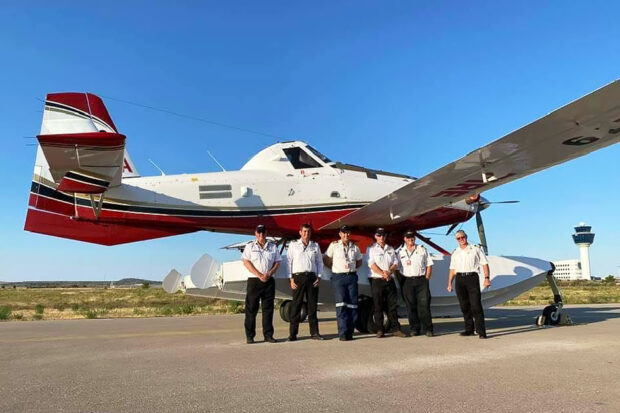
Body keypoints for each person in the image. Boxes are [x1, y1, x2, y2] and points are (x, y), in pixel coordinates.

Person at [446, 230, 491, 339]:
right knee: (464, 306)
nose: (461, 239)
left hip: (472, 277)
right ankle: (469, 329)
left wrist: (486, 278)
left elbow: (484, 264)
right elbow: (452, 269)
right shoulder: (455, 252)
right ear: (456, 240)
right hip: (459, 278)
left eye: (462, 237)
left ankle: (481, 331)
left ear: (466, 237)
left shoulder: (475, 249)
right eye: (458, 238)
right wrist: (449, 283)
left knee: (476, 305)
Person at [241, 224, 282, 344]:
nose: (261, 235)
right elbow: (246, 262)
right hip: (254, 280)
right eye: (259, 232)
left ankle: (268, 335)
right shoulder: (250, 246)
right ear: (255, 233)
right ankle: (250, 336)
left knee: (268, 309)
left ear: (266, 233)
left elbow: (277, 262)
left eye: (263, 232)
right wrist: (259, 274)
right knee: (251, 309)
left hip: (269, 280)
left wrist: (269, 273)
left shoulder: (273, 247)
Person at [324, 225, 363, 341]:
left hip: (351, 276)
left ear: (350, 234)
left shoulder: (355, 247)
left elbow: (359, 261)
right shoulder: (334, 245)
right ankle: (342, 332)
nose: (346, 235)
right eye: (343, 233)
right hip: (339, 277)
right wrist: (334, 268)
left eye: (347, 233)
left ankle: (350, 332)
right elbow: (326, 259)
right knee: (341, 305)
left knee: (353, 305)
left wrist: (352, 268)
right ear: (340, 234)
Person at [287, 223, 324, 341]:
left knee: (312, 306)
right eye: (304, 232)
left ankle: (315, 333)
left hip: (312, 277)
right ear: (300, 232)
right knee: (296, 305)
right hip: (298, 277)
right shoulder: (293, 245)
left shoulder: (315, 246)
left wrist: (319, 276)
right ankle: (293, 334)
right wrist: (291, 278)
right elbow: (289, 262)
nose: (306, 234)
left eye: (308, 232)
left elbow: (319, 262)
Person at [368, 228, 406, 338]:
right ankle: (380, 329)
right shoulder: (371, 249)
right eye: (379, 235)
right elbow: (371, 264)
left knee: (392, 306)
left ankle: (396, 329)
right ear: (375, 236)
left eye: (383, 235)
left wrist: (389, 272)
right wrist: (382, 273)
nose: (382, 237)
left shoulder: (390, 249)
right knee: (378, 305)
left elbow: (395, 262)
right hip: (377, 280)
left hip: (389, 279)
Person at [397, 230, 434, 337]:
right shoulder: (400, 252)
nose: (410, 239)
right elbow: (397, 268)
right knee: (410, 306)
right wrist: (402, 281)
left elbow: (429, 264)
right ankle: (414, 329)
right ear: (404, 239)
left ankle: (428, 329)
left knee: (424, 305)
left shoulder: (422, 249)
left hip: (421, 280)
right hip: (407, 281)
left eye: (412, 237)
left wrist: (426, 278)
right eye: (408, 237)